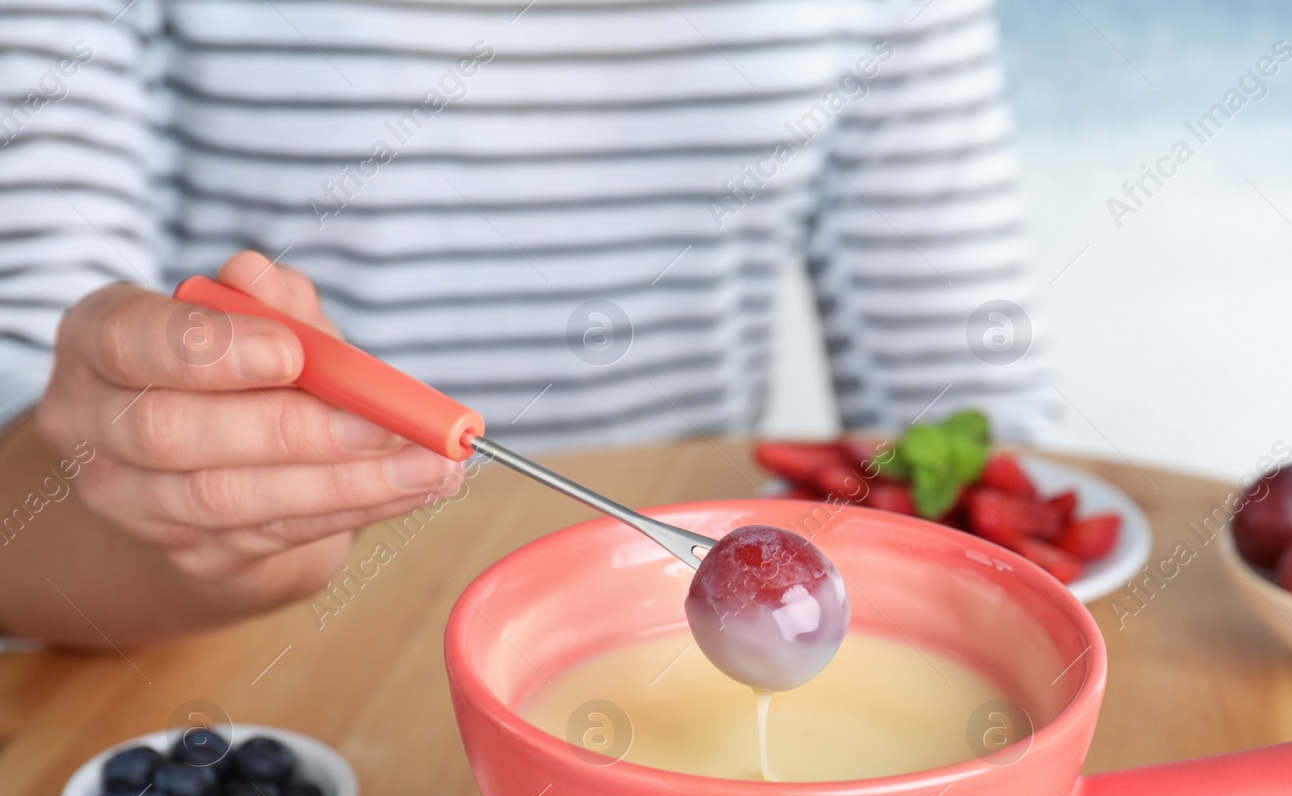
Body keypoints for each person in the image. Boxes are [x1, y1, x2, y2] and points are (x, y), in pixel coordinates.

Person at [0, 0, 1055, 646]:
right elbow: (21, 503)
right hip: (270, 668)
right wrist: (204, 531)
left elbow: (971, 424)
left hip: (660, 621)